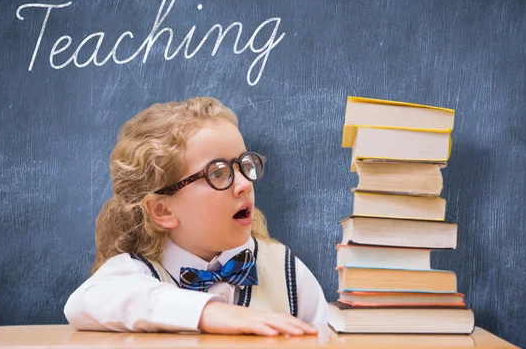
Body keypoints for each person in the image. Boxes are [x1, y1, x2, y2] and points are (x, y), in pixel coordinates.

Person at [63, 97, 328, 336]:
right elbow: (85, 301)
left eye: (244, 165)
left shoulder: (286, 270)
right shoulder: (136, 273)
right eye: (217, 172)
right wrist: (206, 312)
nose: (245, 184)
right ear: (163, 210)